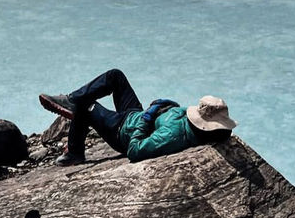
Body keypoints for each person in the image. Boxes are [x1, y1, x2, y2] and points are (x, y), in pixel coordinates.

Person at [39, 68, 237, 166]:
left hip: (122, 131)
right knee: (115, 76)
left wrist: (145, 120)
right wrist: (165, 107)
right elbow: (173, 114)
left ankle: (75, 152)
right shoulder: (189, 122)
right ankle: (70, 99)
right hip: (135, 114)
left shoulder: (173, 135)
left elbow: (135, 151)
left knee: (85, 105)